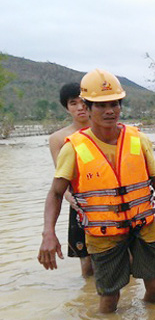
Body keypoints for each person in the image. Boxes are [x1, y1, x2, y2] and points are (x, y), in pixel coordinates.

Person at [38, 69, 155, 313]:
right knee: (110, 298)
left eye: (114, 104)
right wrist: (48, 233)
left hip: (142, 224)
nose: (110, 110)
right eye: (101, 105)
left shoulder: (138, 139)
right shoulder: (73, 148)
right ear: (87, 109)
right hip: (103, 231)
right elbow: (56, 193)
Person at [48, 82, 93, 277]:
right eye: (73, 103)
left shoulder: (107, 130)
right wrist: (68, 197)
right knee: (87, 262)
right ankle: (90, 300)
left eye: (83, 102)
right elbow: (61, 175)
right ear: (66, 107)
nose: (80, 107)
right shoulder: (59, 138)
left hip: (110, 197)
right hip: (78, 201)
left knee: (125, 256)